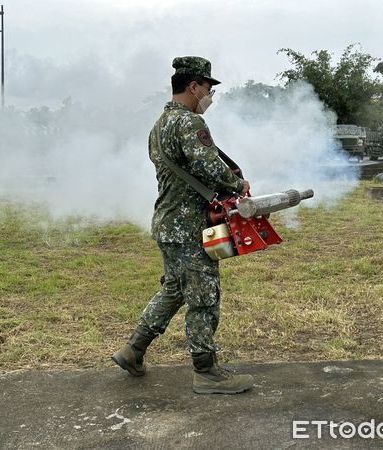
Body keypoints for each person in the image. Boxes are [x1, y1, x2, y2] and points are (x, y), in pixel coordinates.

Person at [112, 56, 253, 394]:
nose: (210, 95)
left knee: (175, 289)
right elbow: (208, 167)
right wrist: (238, 185)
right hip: (189, 228)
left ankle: (133, 351)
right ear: (193, 87)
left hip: (167, 224)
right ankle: (206, 372)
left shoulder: (159, 125)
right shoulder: (190, 124)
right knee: (204, 296)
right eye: (208, 88)